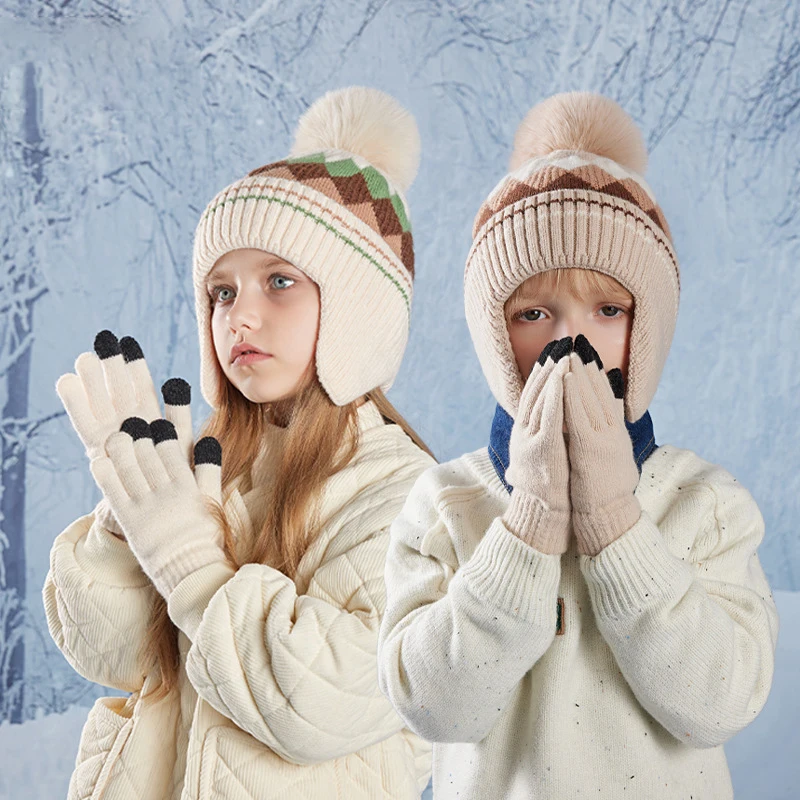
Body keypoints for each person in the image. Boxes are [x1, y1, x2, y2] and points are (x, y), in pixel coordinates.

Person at [377, 91, 779, 799]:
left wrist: (615, 521)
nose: (573, 341)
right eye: (534, 313)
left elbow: (722, 703)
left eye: (609, 309)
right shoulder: (445, 503)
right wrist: (529, 522)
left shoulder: (705, 502)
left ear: (646, 328)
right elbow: (433, 706)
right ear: (496, 337)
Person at [45, 86, 435, 800]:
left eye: (279, 282)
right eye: (221, 292)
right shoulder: (209, 466)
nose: (239, 316)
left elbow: (322, 701)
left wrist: (189, 560)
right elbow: (108, 652)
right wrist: (129, 515)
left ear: (359, 314)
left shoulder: (408, 498)